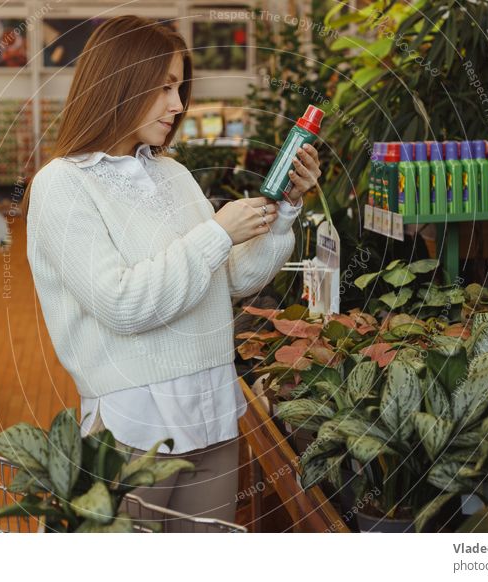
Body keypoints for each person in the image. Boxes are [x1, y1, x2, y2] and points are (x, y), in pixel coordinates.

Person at [23, 15, 321, 528]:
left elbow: (230, 279)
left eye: (179, 87)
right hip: (137, 427)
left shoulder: (174, 174)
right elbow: (122, 304)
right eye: (163, 87)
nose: (178, 104)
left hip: (213, 413)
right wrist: (218, 233)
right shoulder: (63, 186)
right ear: (119, 81)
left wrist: (284, 212)